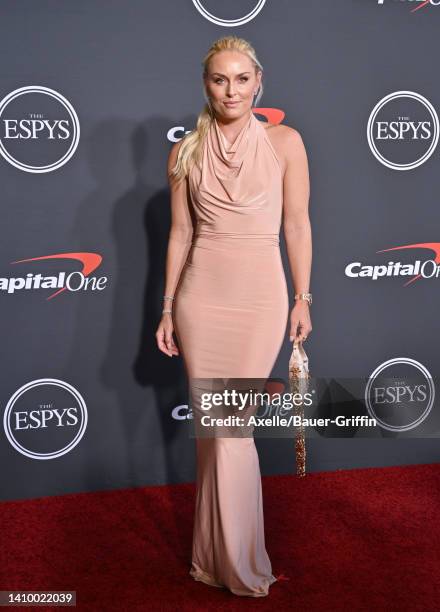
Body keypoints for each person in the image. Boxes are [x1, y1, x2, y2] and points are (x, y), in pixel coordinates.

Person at [155, 35, 312, 598]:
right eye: (220, 79)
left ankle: (242, 564)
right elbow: (180, 233)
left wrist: (303, 297)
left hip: (260, 298)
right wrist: (170, 305)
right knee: (212, 433)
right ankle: (211, 558)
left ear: (259, 82)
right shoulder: (183, 153)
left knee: (231, 430)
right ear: (206, 85)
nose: (231, 89)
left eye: (242, 79)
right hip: (201, 298)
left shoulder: (286, 142)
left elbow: (296, 224)